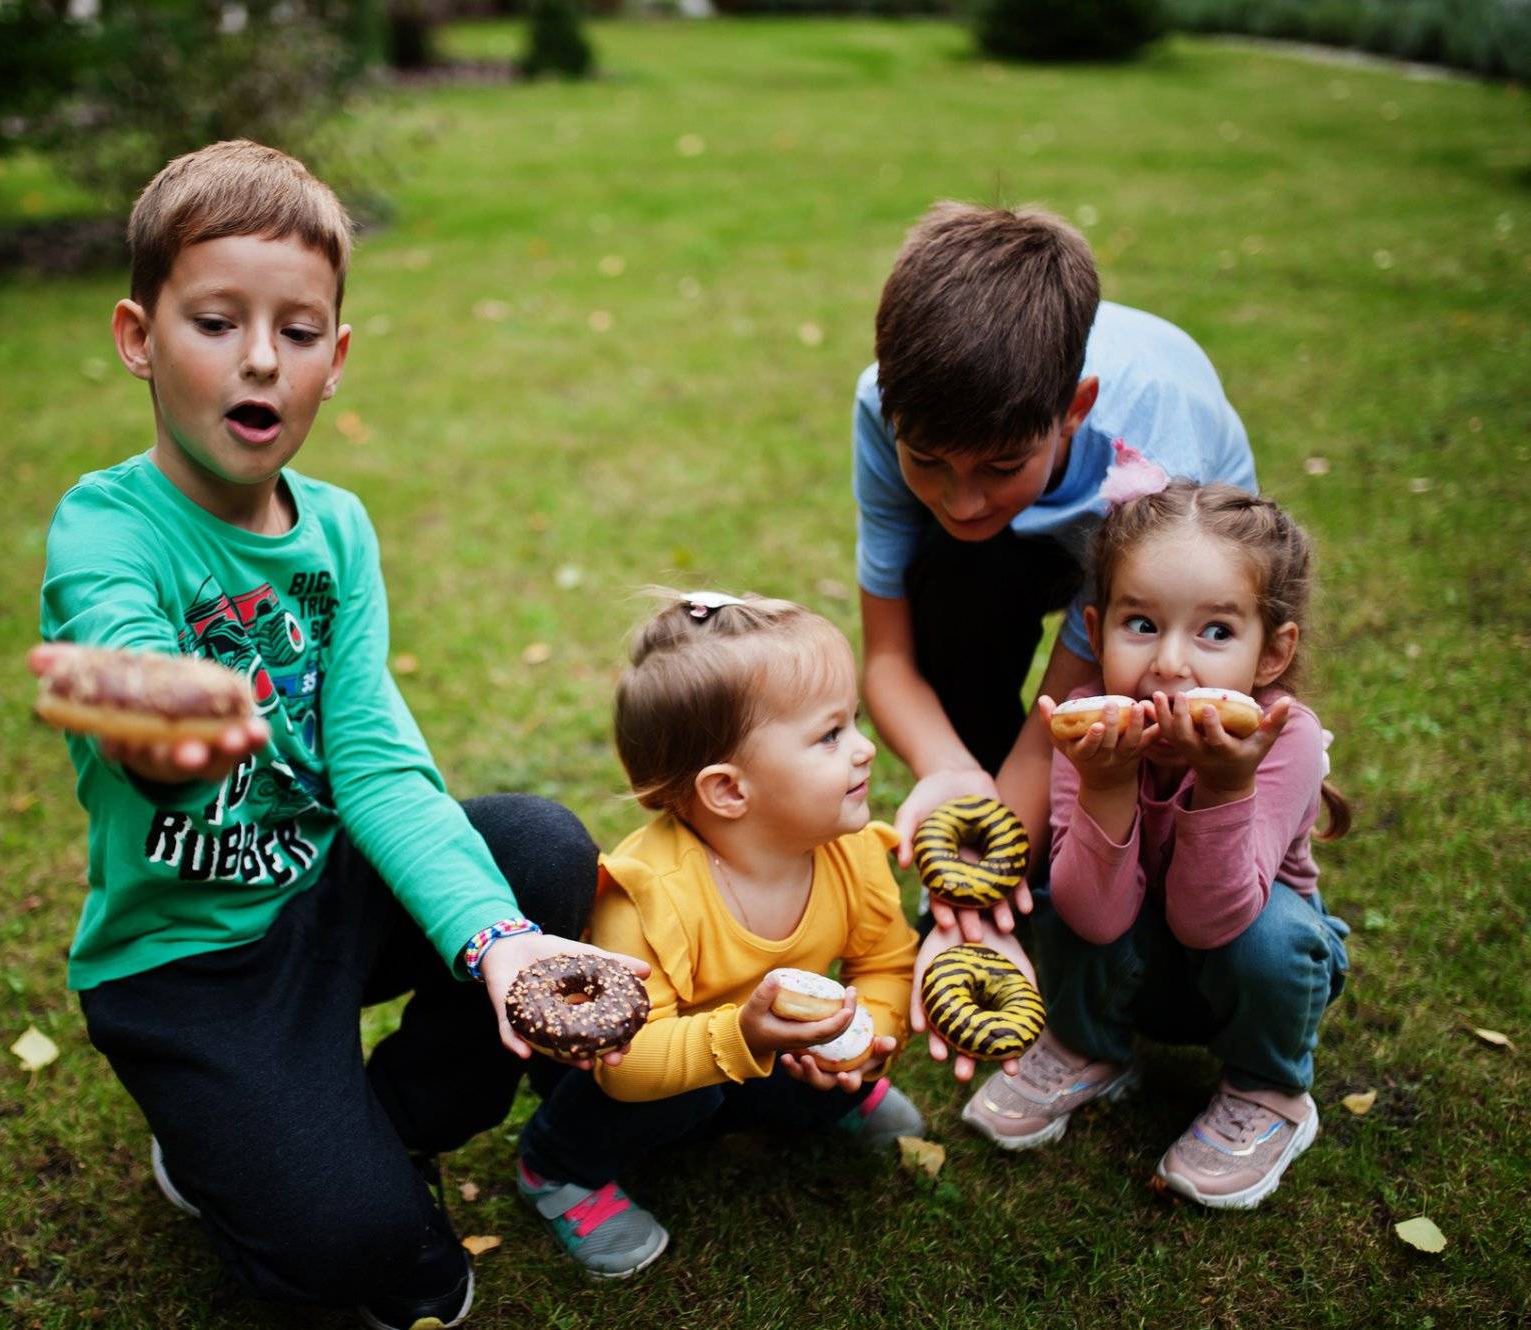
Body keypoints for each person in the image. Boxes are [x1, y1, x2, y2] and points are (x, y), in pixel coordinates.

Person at [31, 138, 644, 1329]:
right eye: (216, 320)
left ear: (335, 358)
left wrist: (499, 946)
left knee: (539, 851)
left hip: (322, 896)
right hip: (187, 969)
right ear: (137, 337)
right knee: (387, 1267)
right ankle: (238, 1147)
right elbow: (121, 671)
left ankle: (359, 1127)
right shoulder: (105, 528)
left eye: (297, 331)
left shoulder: (340, 533)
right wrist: (161, 724)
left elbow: (371, 761)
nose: (260, 356)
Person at [851, 202, 1257, 969]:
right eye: (927, 461)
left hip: (1164, 559)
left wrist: (978, 883)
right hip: (1031, 539)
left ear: (1075, 410)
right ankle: (1011, 838)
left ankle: (1071, 862)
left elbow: (1069, 709)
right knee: (947, 574)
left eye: (999, 466)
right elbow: (887, 658)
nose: (961, 498)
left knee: (1139, 698)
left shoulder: (1156, 441)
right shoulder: (885, 403)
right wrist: (950, 770)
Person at [961, 462, 1352, 1210]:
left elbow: (1216, 920)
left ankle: (1269, 1091)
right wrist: (1106, 786)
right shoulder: (1089, 721)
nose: (1170, 664)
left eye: (1214, 632)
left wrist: (1225, 785)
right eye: (1141, 624)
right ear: (1095, 627)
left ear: (1271, 653)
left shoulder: (1281, 740)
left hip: (1240, 968)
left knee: (1272, 935)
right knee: (1065, 882)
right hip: (1137, 966)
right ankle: (1089, 1044)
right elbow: (1093, 917)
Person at [515, 592, 925, 1277]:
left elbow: (886, 962)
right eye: (830, 736)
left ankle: (825, 1093)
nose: (865, 749)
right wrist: (743, 1038)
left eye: (851, 723)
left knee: (818, 1044)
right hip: (645, 1070)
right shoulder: (649, 895)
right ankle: (558, 1168)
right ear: (730, 791)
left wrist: (865, 1038)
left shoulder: (847, 850)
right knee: (684, 1090)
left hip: (758, 1047)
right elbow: (629, 1061)